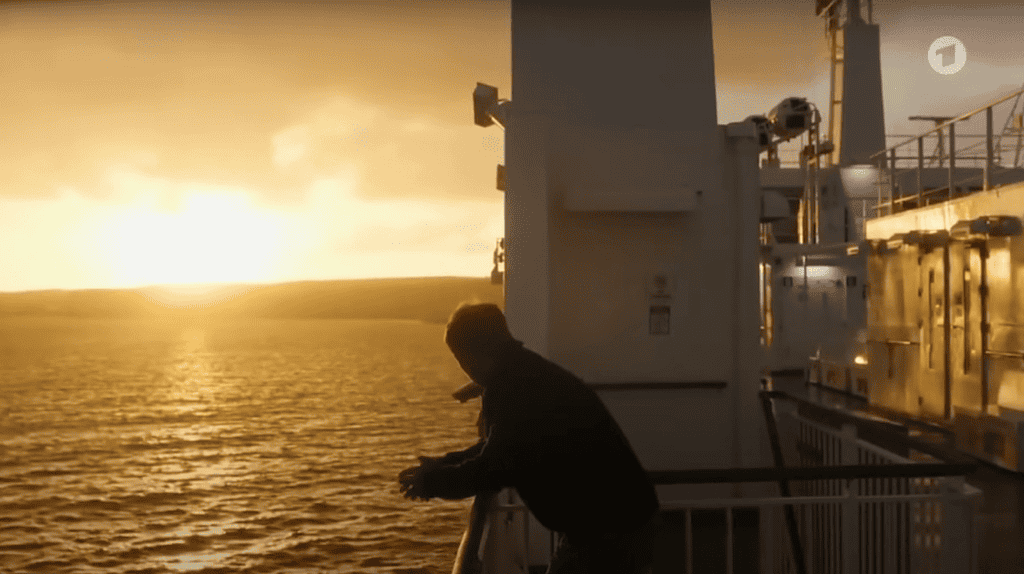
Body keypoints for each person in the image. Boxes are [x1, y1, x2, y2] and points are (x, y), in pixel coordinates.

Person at [399, 303, 659, 574]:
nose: (465, 369)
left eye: (462, 360)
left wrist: (430, 483)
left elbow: (494, 468)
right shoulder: (526, 371)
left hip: (610, 528)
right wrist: (442, 464)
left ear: (476, 355)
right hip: (615, 517)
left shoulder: (516, 389)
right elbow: (502, 449)